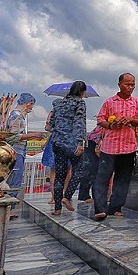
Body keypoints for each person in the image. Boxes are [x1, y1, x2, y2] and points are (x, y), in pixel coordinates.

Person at [93, 73, 138, 220]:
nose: (131, 87)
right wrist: (111, 125)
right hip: (110, 146)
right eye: (127, 84)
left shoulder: (136, 102)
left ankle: (115, 207)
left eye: (133, 84)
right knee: (102, 178)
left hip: (128, 146)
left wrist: (131, 120)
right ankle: (100, 208)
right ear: (119, 84)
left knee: (122, 179)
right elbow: (100, 120)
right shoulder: (109, 102)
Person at [48, 81, 88, 216]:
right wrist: (80, 142)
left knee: (60, 174)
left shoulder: (58, 104)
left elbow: (51, 125)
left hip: (57, 142)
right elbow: (79, 122)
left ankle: (57, 208)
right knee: (78, 170)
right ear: (82, 92)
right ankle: (67, 196)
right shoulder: (80, 103)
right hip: (71, 143)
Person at [5, 93, 44, 196]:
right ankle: (10, 205)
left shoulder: (21, 117)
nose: (31, 108)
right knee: (15, 179)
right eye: (31, 104)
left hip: (20, 150)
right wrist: (33, 135)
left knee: (16, 178)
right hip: (15, 150)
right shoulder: (16, 116)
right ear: (26, 103)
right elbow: (12, 136)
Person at [42, 111, 71, 206]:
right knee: (67, 170)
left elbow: (47, 127)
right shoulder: (73, 113)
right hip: (67, 141)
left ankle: (54, 197)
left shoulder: (53, 112)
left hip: (55, 141)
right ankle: (63, 195)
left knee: (54, 170)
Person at [77, 125, 104, 204]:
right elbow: (102, 132)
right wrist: (98, 146)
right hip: (95, 142)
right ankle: (84, 195)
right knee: (91, 169)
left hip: (98, 142)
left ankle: (95, 195)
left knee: (97, 170)